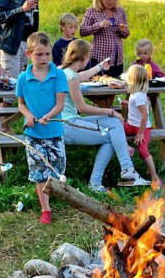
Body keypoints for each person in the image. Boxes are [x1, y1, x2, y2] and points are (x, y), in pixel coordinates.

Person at [59, 40, 147, 192]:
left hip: (71, 122)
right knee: (112, 136)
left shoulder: (64, 71)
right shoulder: (71, 77)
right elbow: (82, 107)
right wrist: (111, 111)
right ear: (84, 57)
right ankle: (98, 181)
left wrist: (99, 67)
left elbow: (80, 76)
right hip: (67, 126)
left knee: (113, 123)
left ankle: (126, 170)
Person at [16, 32, 68, 224]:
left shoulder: (58, 74)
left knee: (58, 170)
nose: (44, 58)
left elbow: (60, 104)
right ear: (29, 53)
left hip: (54, 131)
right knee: (39, 171)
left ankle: (62, 197)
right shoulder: (23, 78)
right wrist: (28, 116)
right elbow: (21, 103)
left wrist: (48, 116)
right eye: (39, 54)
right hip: (33, 134)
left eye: (47, 54)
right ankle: (45, 209)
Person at [79, 0, 130, 78]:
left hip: (116, 59)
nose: (112, 1)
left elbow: (126, 34)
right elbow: (82, 30)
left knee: (114, 86)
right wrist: (99, 25)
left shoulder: (120, 11)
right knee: (99, 87)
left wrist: (123, 29)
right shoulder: (92, 11)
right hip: (99, 58)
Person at [123, 65, 160, 186]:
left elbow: (144, 116)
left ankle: (154, 176)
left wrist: (140, 133)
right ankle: (127, 146)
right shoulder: (136, 94)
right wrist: (128, 103)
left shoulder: (138, 96)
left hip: (142, 128)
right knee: (117, 128)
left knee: (143, 150)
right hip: (131, 125)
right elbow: (137, 108)